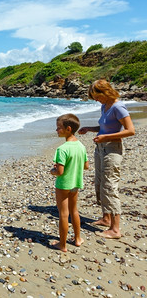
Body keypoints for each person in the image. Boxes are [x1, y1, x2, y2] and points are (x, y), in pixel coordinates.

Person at [78, 79, 135, 239]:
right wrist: (91, 129)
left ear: (106, 92)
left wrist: (106, 137)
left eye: (97, 96)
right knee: (100, 183)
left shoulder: (118, 107)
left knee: (110, 186)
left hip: (112, 150)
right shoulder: (105, 105)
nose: (96, 100)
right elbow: (105, 127)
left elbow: (130, 131)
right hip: (101, 148)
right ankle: (106, 218)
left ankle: (115, 229)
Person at [50, 114, 89, 252]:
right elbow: (86, 166)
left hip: (63, 184)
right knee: (74, 211)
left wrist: (52, 171)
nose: (56, 130)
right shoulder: (81, 146)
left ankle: (63, 245)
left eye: (59, 128)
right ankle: (78, 239)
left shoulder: (62, 149)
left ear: (68, 129)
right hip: (76, 183)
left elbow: (59, 171)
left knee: (63, 214)